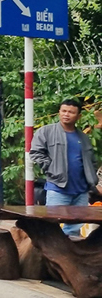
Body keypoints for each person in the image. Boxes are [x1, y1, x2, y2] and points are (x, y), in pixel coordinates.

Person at [30, 99, 100, 236]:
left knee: (74, 229)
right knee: (51, 225)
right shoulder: (46, 132)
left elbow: (91, 161)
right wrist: (52, 168)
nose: (66, 114)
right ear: (59, 112)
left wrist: (91, 178)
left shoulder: (83, 137)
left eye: (71, 112)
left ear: (78, 116)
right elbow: (35, 153)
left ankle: (71, 255)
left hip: (81, 190)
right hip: (58, 188)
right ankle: (47, 255)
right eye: (64, 111)